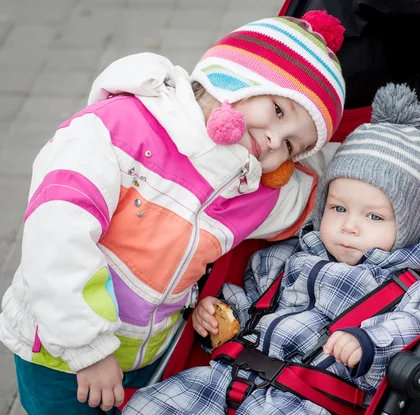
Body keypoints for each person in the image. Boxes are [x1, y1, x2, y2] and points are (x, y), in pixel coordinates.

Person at [0, 10, 346, 415]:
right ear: (233, 77)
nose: (273, 139)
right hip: (61, 350)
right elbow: (56, 235)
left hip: (145, 355)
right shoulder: (119, 129)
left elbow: (321, 200)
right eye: (279, 111)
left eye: (291, 145)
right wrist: (88, 349)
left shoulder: (253, 191)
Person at [123, 83, 420, 415]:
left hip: (308, 398)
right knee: (150, 405)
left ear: (411, 226)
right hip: (227, 376)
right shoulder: (293, 254)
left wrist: (368, 343)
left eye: (374, 216)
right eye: (338, 208)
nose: (349, 226)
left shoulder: (417, 282)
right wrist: (220, 314)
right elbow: (255, 305)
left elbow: (412, 326)